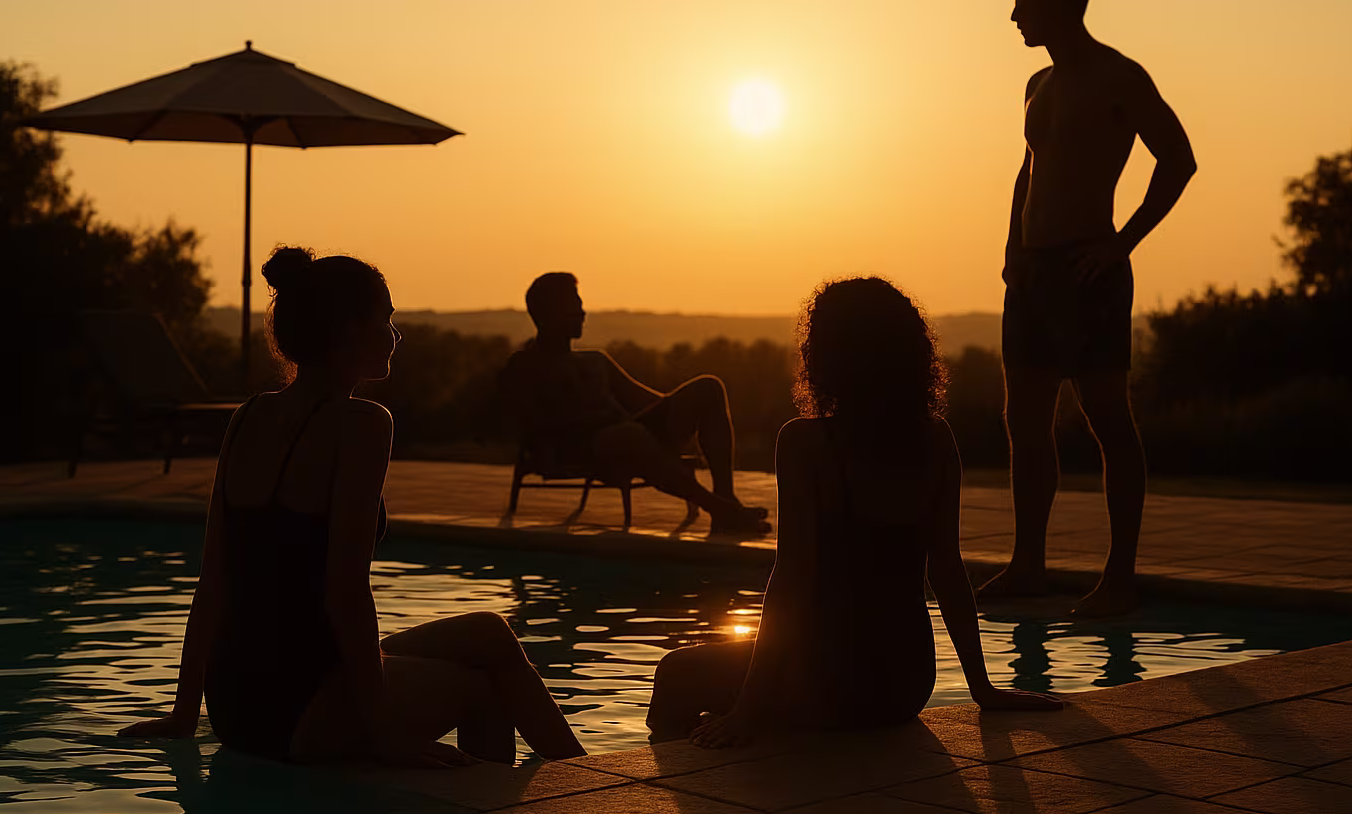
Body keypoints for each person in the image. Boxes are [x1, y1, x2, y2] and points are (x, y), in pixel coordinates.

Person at [118, 246, 584, 766]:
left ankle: (586, 775)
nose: (395, 333)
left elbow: (212, 583)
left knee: (490, 632)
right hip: (305, 704)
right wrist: (383, 730)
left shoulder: (247, 416)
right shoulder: (362, 424)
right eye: (385, 318)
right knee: (483, 687)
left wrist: (185, 715)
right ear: (347, 330)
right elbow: (346, 591)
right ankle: (535, 811)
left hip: (235, 705)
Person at [646, 277, 1062, 747]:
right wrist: (982, 689)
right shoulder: (935, 439)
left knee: (675, 673)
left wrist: (749, 708)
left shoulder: (805, 442)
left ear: (825, 356)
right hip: (904, 686)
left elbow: (792, 580)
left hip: (829, 682)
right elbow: (947, 569)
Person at [981, 0, 1197, 617]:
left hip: (1088, 268)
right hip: (1035, 274)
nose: (1013, 12)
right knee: (1024, 421)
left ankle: (1120, 575)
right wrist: (1013, 249)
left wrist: (1121, 242)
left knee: (1108, 420)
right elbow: (1029, 171)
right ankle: (1028, 565)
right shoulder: (1035, 85)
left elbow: (1179, 160)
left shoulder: (1118, 76)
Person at [499, 271, 770, 534]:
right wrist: (593, 421)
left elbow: (652, 401)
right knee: (626, 435)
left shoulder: (595, 361)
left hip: (629, 437)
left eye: (580, 306)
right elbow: (530, 425)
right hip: (585, 448)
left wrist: (683, 413)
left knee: (708, 387)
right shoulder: (526, 365)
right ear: (548, 315)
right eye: (573, 307)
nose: (582, 314)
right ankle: (720, 510)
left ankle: (726, 497)